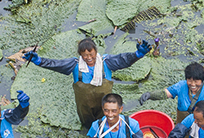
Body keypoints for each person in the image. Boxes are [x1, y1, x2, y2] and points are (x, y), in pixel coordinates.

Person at [22, 37, 153, 129]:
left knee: (106, 120)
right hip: (84, 106)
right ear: (80, 55)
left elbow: (124, 60)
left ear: (96, 51)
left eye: (91, 54)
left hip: (105, 103)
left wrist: (138, 54)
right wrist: (38, 60)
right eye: (84, 55)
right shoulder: (74, 64)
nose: (89, 58)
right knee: (87, 123)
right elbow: (55, 64)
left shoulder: (106, 62)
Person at [140, 62, 204, 123]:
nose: (193, 84)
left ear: (202, 80)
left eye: (196, 81)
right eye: (190, 80)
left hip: (202, 124)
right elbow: (165, 93)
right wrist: (150, 95)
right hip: (183, 122)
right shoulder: (181, 86)